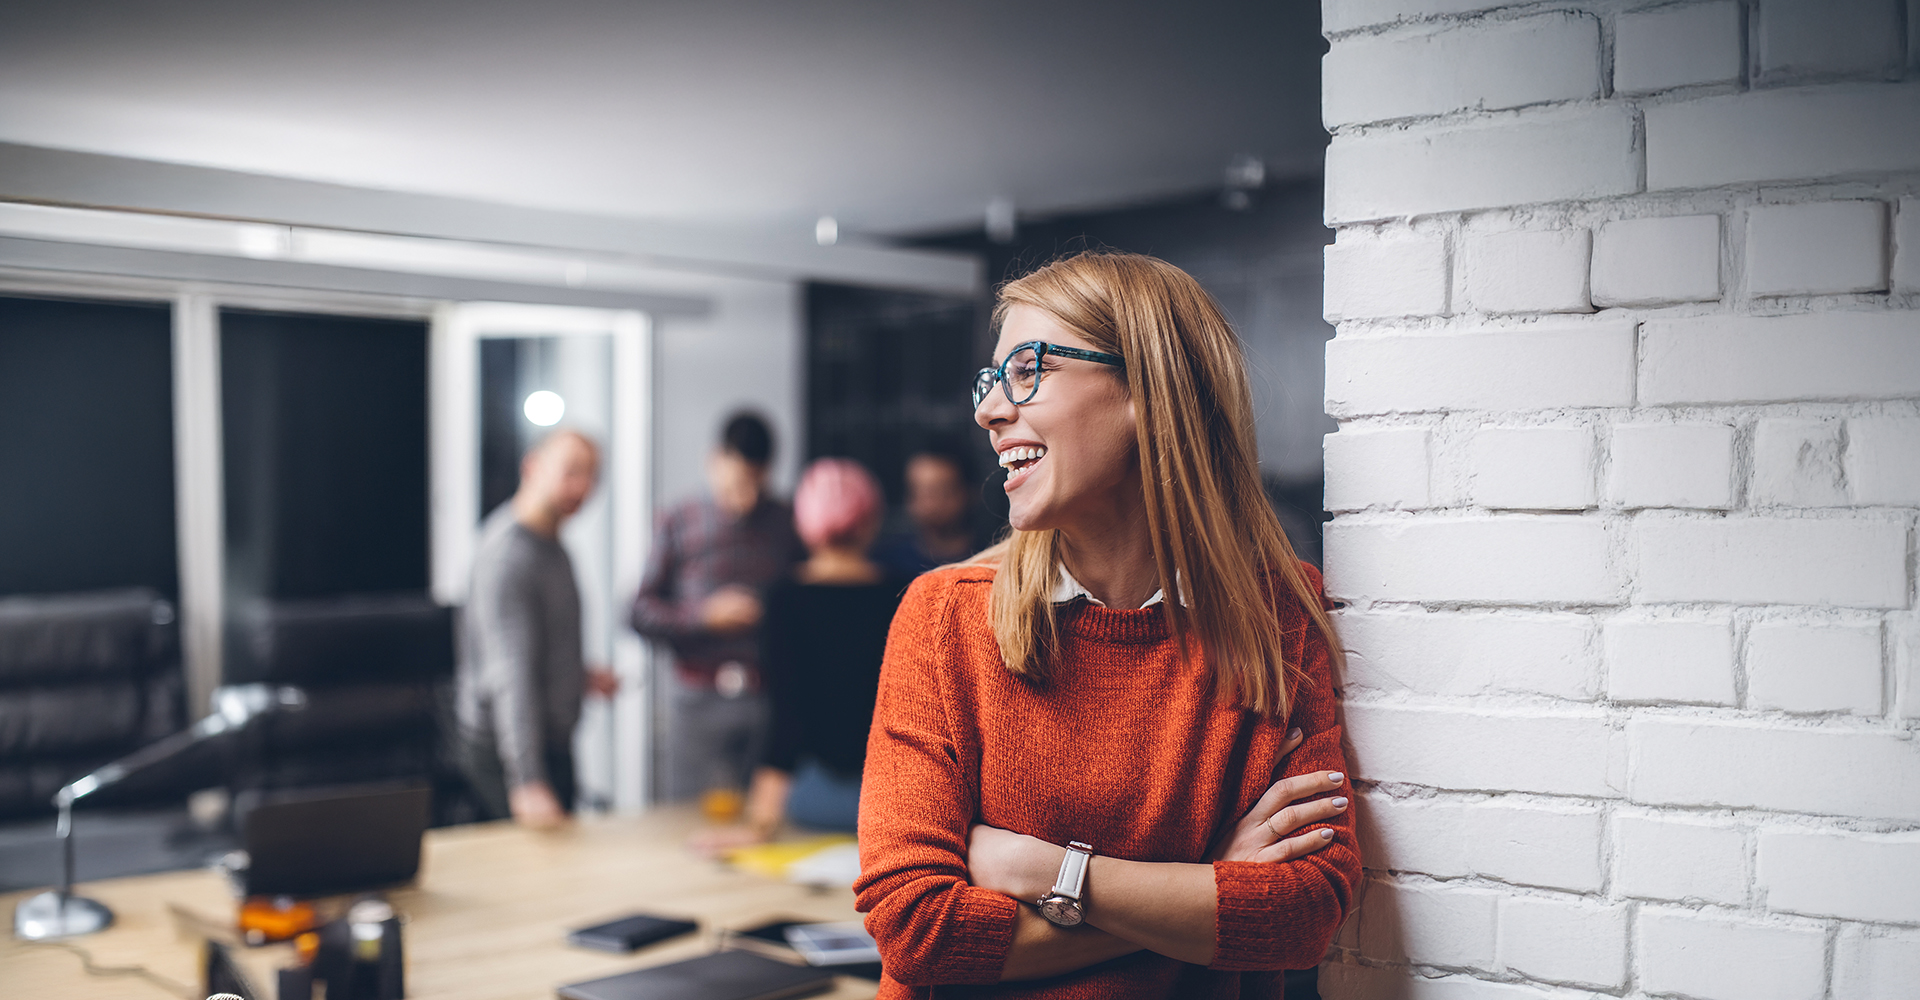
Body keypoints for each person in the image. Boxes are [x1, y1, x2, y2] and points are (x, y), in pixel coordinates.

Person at [854, 251, 1358, 997]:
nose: (989, 410)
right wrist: (1207, 887)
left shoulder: (1279, 617)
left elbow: (1306, 915)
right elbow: (918, 929)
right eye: (991, 381)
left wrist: (1048, 874)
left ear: (1147, 392)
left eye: (1027, 369)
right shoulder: (944, 618)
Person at [694, 458, 904, 851]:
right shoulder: (904, 593)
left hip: (814, 799)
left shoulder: (785, 599)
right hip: (893, 799)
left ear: (804, 521)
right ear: (871, 519)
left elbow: (785, 718)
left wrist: (759, 824)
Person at [630, 412, 803, 808]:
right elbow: (639, 611)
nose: (745, 498)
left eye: (756, 484)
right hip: (696, 697)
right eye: (736, 483)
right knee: (685, 817)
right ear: (714, 461)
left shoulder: (785, 520)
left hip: (766, 698)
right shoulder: (678, 519)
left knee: (765, 820)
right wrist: (703, 616)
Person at [456, 429, 619, 829]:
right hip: (508, 751)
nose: (583, 486)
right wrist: (527, 779)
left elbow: (536, 647)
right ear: (532, 467)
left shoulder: (555, 547)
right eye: (572, 471)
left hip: (551, 741)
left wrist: (575, 676)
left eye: (592, 476)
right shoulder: (508, 556)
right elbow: (510, 674)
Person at [873, 448, 994, 580]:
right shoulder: (887, 565)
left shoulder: (990, 560)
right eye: (920, 493)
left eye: (942, 493)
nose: (930, 504)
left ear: (969, 494)